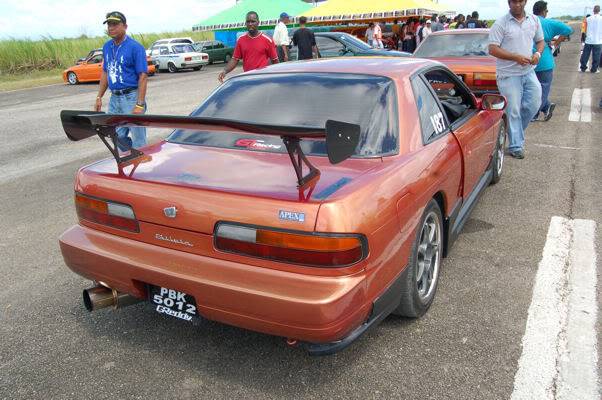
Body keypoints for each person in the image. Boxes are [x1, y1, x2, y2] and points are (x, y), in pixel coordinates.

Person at [489, 0, 545, 159]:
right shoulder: (501, 23)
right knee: (513, 110)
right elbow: (492, 49)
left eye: (520, 1)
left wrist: (537, 54)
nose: (517, 4)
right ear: (509, 2)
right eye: (514, 1)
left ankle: (514, 132)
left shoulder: (534, 20)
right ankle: (516, 145)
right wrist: (515, 57)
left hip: (528, 71)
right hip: (508, 74)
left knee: (534, 103)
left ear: (525, 1)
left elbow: (540, 41)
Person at [95, 11, 148, 152]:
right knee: (115, 135)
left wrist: (140, 104)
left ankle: (141, 167)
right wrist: (99, 96)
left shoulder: (135, 47)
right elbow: (106, 71)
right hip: (114, 99)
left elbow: (143, 76)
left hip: (131, 97)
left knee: (138, 138)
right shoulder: (107, 47)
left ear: (125, 26)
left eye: (115, 24)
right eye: (109, 25)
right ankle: (129, 159)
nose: (111, 28)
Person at [532, 1, 573, 121]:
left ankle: (538, 111)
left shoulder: (527, 21)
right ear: (544, 11)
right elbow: (569, 30)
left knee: (531, 90)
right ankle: (543, 108)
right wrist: (556, 42)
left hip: (527, 60)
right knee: (543, 88)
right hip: (544, 61)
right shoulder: (548, 23)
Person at [219, 11, 278, 83]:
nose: (250, 24)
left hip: (263, 80)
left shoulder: (268, 40)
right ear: (246, 23)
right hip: (248, 79)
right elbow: (235, 59)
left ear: (258, 22)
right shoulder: (241, 40)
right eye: (248, 21)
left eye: (253, 21)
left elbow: (275, 61)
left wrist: (276, 79)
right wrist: (225, 71)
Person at [579, 6, 601, 73]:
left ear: (593, 10)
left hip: (588, 40)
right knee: (596, 56)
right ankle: (594, 69)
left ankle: (583, 68)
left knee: (585, 55)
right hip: (598, 41)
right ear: (599, 10)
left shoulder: (587, 19)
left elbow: (583, 29)